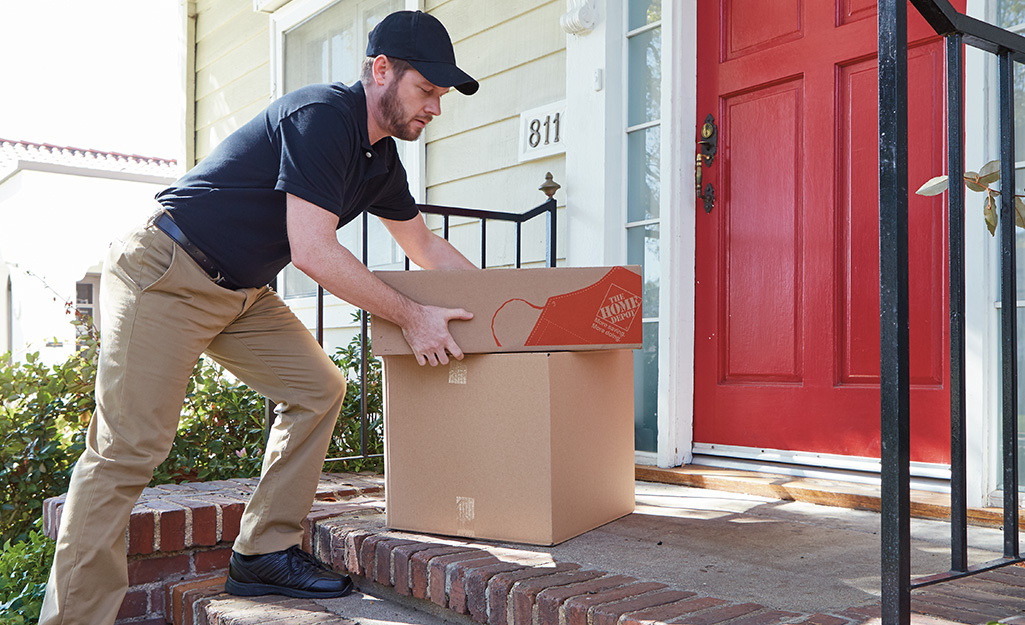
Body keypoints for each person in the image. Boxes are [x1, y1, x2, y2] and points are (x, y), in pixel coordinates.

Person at [39, 10, 478, 625]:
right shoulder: (323, 116)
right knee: (126, 451)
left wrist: (507, 305)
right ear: (381, 71)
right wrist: (411, 316)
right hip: (166, 273)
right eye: (427, 90)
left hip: (241, 291)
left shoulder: (380, 162)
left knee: (317, 388)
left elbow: (425, 247)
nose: (435, 107)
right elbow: (313, 250)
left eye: (441, 95)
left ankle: (262, 553)